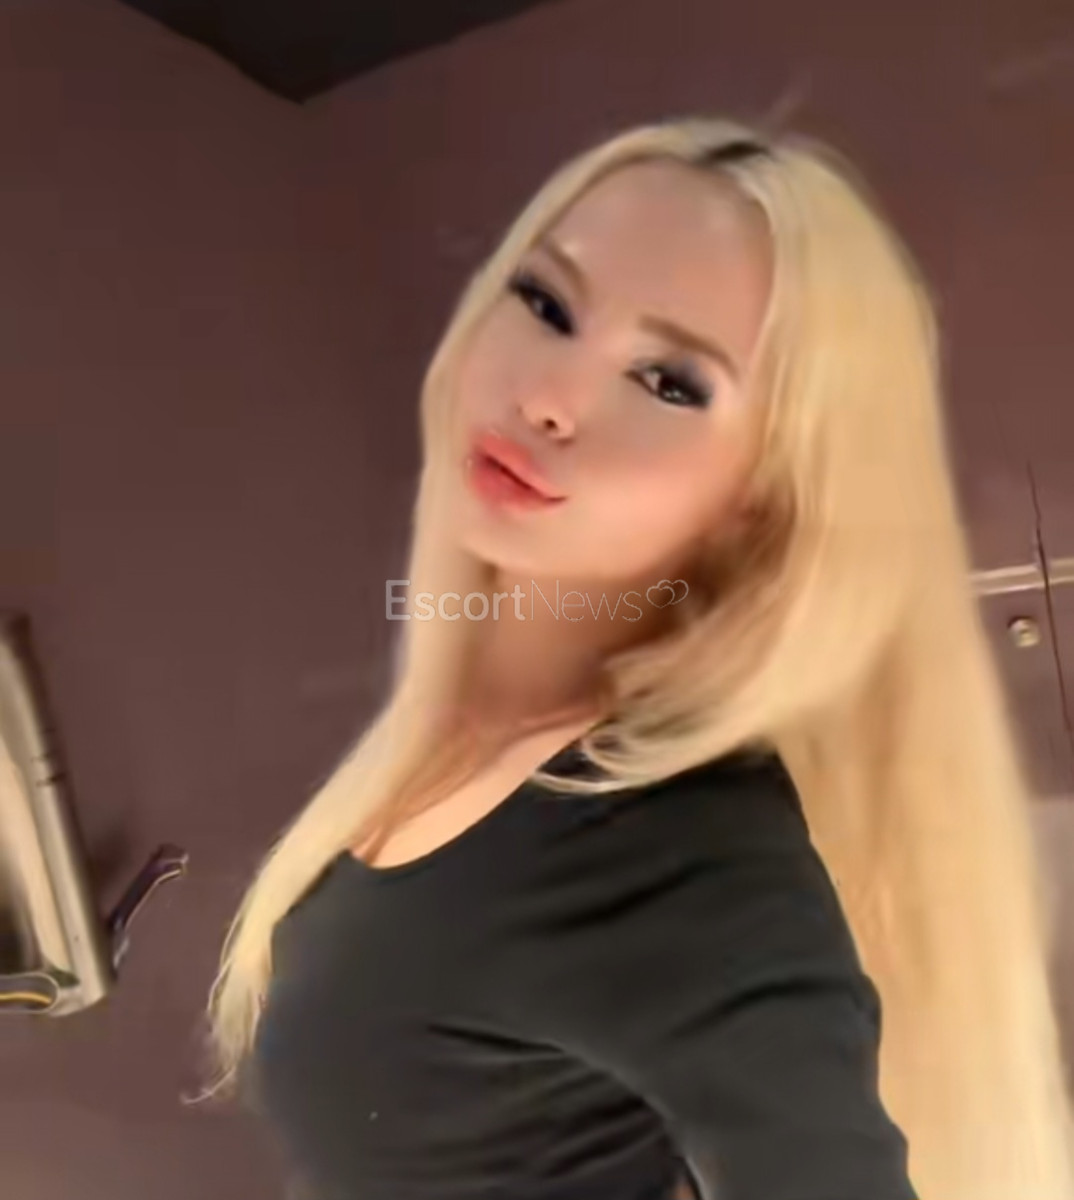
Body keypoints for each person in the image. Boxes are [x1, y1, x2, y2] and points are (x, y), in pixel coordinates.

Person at [197, 117, 1074, 1200]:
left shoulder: (669, 845)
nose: (550, 398)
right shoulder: (458, 748)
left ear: (762, 495)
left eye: (668, 382)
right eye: (546, 303)